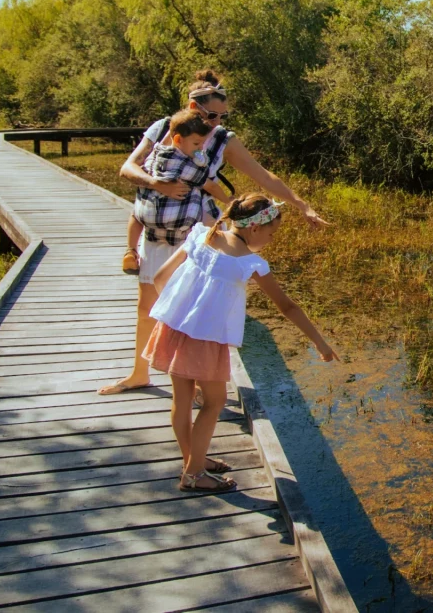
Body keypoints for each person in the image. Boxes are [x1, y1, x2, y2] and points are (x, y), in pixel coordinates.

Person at [100, 69, 328, 397]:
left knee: (190, 306)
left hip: (192, 231)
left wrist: (302, 204)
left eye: (223, 115)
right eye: (210, 115)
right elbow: (128, 167)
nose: (216, 122)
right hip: (154, 230)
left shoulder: (223, 139)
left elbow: (264, 176)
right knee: (146, 304)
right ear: (193, 107)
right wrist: (155, 183)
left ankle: (190, 380)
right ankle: (140, 374)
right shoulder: (164, 128)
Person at [145, 194, 338, 491]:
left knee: (181, 400)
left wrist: (178, 312)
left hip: (172, 328)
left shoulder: (201, 236)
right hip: (205, 339)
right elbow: (287, 307)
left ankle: (192, 461)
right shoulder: (249, 263)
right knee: (215, 402)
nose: (272, 239)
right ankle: (194, 475)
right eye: (272, 233)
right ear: (255, 229)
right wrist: (321, 344)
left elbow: (160, 279)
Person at [131, 109, 218, 249]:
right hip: (180, 225)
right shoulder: (187, 165)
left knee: (135, 211)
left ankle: (130, 250)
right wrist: (229, 201)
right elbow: (211, 186)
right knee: (212, 217)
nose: (200, 148)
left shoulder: (154, 157)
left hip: (149, 222)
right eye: (197, 144)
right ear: (178, 139)